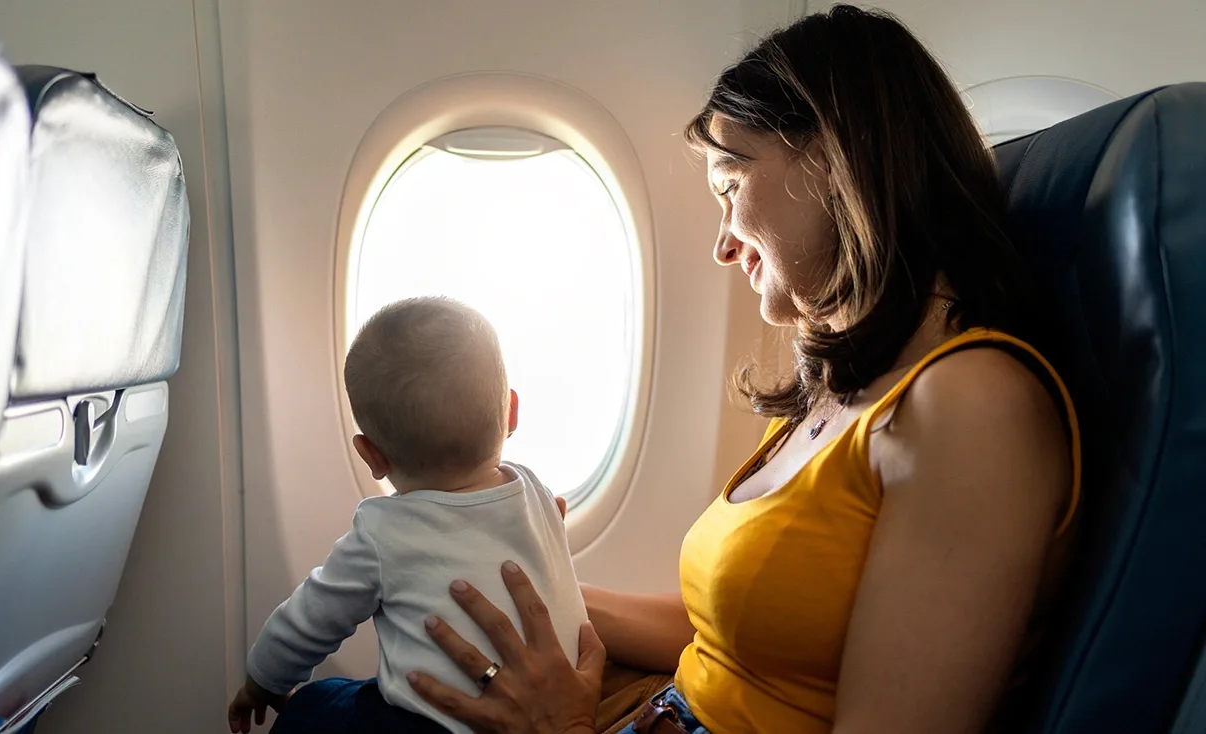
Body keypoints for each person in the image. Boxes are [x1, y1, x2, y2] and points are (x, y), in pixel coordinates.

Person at [400, 5, 1082, 733]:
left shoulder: (973, 407)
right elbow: (730, 633)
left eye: (730, 185)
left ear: (831, 158)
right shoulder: (840, 393)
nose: (724, 245)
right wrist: (518, 580)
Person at [227, 297, 587, 734]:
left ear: (371, 455)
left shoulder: (384, 530)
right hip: (548, 697)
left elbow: (307, 621)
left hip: (430, 725)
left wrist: (261, 682)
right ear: (511, 411)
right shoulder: (538, 492)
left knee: (317, 705)